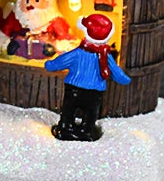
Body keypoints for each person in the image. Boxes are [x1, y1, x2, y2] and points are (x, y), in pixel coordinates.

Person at [44, 13, 130, 141]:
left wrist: (49, 64)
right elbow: (117, 73)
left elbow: (59, 62)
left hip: (74, 88)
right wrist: (125, 79)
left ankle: (66, 128)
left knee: (69, 109)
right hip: (95, 92)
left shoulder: (77, 53)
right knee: (91, 113)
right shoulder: (106, 56)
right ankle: (87, 130)